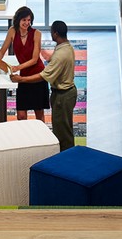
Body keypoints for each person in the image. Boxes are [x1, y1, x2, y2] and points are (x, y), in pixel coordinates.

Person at [12, 20, 76, 150]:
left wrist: (21, 79)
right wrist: (46, 55)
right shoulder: (66, 47)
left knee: (62, 131)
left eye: (51, 32)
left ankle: (66, 156)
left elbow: (43, 76)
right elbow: (55, 60)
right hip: (66, 93)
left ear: (55, 33)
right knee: (63, 127)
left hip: (63, 96)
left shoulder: (60, 55)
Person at [0, 6, 47, 121]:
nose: (27, 23)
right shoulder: (12, 31)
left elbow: (35, 59)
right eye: (24, 20)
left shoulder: (36, 33)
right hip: (23, 74)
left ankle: (41, 133)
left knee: (39, 114)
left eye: (29, 20)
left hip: (37, 75)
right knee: (21, 115)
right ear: (18, 20)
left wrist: (17, 67)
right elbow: (2, 51)